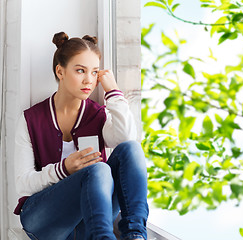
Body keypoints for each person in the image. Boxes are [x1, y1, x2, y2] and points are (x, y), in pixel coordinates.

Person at [13, 32, 149, 240]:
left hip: (89, 222)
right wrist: (64, 169)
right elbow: (23, 183)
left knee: (131, 150)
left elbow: (126, 139)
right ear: (60, 71)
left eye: (94, 73)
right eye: (80, 71)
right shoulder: (31, 119)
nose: (89, 80)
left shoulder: (97, 115)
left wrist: (113, 92)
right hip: (44, 223)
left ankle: (136, 235)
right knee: (98, 170)